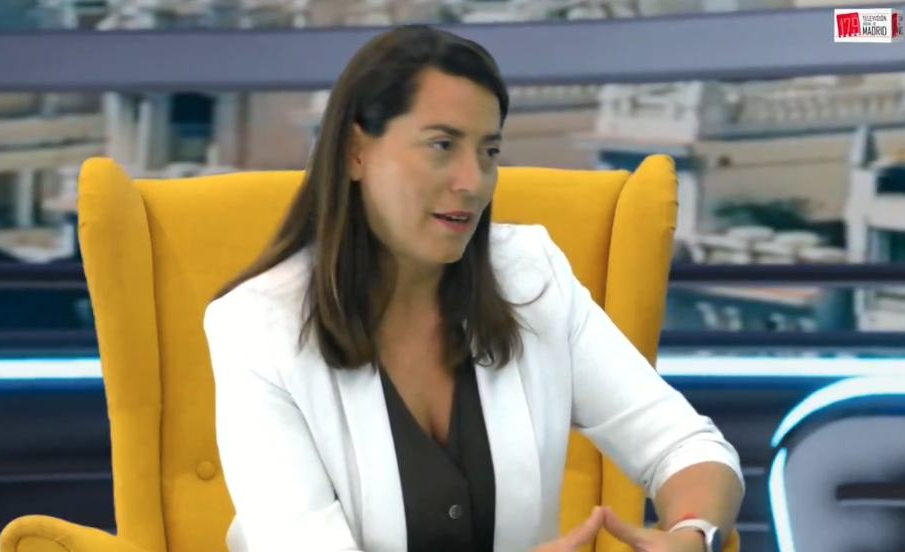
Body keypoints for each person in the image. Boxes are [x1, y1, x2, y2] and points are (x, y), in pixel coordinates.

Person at [204, 24, 744, 552]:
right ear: (355, 152)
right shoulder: (255, 327)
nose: (473, 181)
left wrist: (692, 534)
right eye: (442, 145)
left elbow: (684, 444)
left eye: (489, 151)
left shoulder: (531, 276)